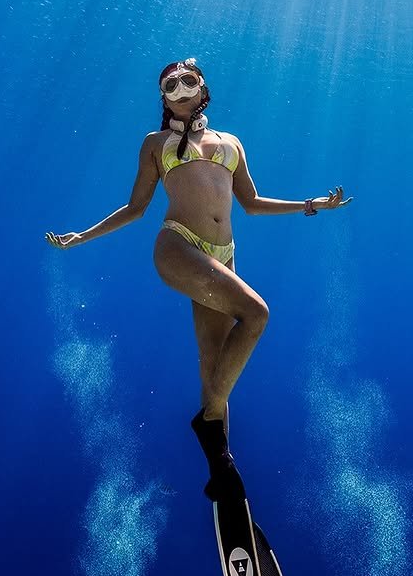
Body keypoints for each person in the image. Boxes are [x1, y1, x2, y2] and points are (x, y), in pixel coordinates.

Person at [46, 58, 351, 498]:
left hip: (224, 255)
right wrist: (83, 237)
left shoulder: (230, 142)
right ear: (163, 98)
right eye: (170, 86)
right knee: (256, 314)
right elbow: (135, 208)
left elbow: (251, 203)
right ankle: (208, 423)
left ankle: (220, 466)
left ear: (203, 87)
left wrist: (310, 205)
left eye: (187, 81)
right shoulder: (156, 143)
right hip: (179, 244)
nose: (180, 89)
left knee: (214, 367)